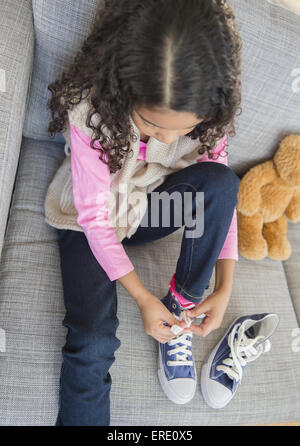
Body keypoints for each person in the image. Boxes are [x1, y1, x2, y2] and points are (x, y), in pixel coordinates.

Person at [45, 0, 242, 425]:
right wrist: (141, 297)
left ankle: (181, 305)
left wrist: (224, 287)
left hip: (147, 206)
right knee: (93, 338)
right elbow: (96, 218)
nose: (168, 137)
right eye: (152, 126)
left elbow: (220, 198)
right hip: (89, 218)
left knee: (223, 183)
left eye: (184, 128)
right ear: (123, 89)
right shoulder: (91, 110)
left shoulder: (208, 111)